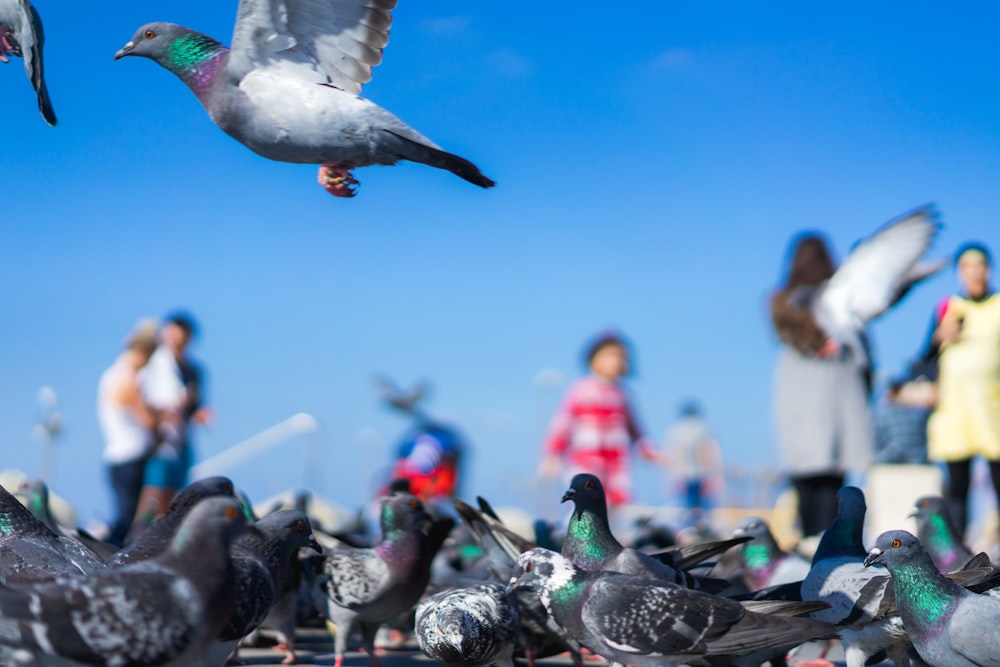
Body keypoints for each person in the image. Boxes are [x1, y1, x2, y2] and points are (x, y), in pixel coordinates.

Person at [770, 233, 875, 539]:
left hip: (795, 395)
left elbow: (791, 335)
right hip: (834, 393)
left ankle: (808, 557)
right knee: (832, 487)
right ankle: (828, 555)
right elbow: (863, 353)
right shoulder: (837, 299)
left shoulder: (780, 302)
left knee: (805, 488)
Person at [537, 330, 661, 507]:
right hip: (586, 460)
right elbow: (563, 423)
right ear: (594, 360)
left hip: (617, 465)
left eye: (621, 357)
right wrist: (553, 454)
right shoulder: (580, 390)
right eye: (610, 355)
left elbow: (636, 429)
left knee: (618, 506)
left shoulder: (623, 395)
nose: (617, 361)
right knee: (586, 505)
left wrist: (649, 450)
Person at [927, 242, 1000, 535]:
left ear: (988, 269)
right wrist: (939, 337)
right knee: (957, 487)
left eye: (980, 265)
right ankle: (957, 552)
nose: (974, 273)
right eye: (968, 267)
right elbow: (924, 359)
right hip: (955, 411)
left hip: (992, 408)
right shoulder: (947, 308)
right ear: (960, 272)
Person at [134, 312, 213, 526]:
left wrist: (198, 412)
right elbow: (141, 398)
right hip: (159, 440)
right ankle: (137, 537)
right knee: (153, 492)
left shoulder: (194, 371)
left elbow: (195, 405)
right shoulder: (154, 364)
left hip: (182, 439)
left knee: (174, 495)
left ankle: (161, 534)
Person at [97, 319, 159, 547]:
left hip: (118, 456)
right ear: (143, 351)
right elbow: (147, 419)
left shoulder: (112, 374)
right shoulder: (127, 378)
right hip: (129, 457)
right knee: (126, 521)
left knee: (125, 517)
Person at [664, 400, 724, 521]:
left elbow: (673, 454)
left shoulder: (676, 430)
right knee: (704, 507)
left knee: (687, 506)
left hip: (683, 475)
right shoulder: (705, 428)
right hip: (703, 474)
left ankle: (690, 529)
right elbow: (711, 452)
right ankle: (701, 528)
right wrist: (715, 475)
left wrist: (672, 477)